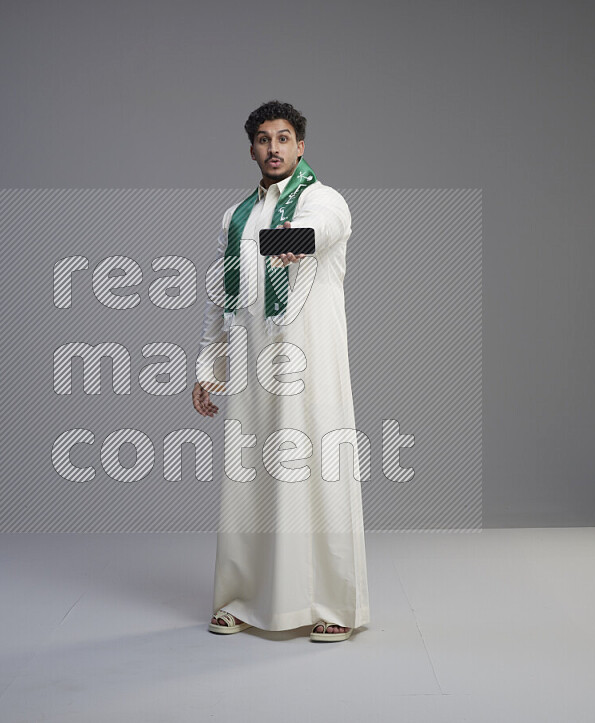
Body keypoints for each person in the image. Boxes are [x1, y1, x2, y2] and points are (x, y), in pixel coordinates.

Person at [192, 100, 370, 642]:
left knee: (320, 474)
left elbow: (313, 234)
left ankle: (333, 605)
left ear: (301, 146)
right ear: (252, 149)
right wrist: (207, 364)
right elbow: (221, 295)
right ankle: (243, 600)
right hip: (252, 365)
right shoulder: (234, 216)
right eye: (264, 139)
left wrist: (279, 243)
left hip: (311, 364)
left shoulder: (325, 199)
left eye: (284, 137)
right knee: (250, 480)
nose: (274, 148)